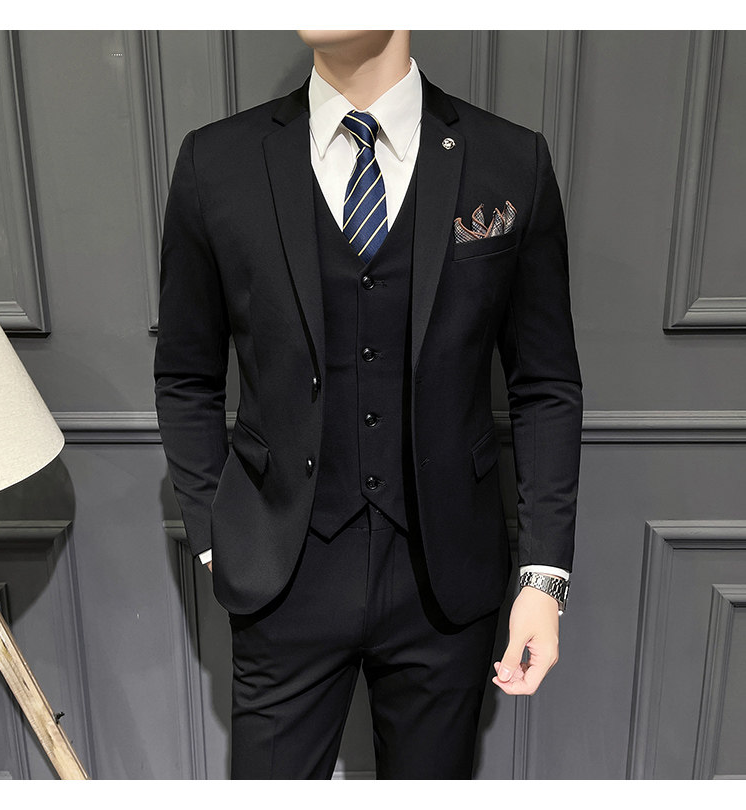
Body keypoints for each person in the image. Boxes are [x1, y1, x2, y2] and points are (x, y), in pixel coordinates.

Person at [153, 29, 582, 779]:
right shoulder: (215, 162)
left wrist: (543, 578)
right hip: (281, 575)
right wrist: (218, 537)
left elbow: (545, 385)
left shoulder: (510, 159)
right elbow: (185, 376)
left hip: (444, 584)